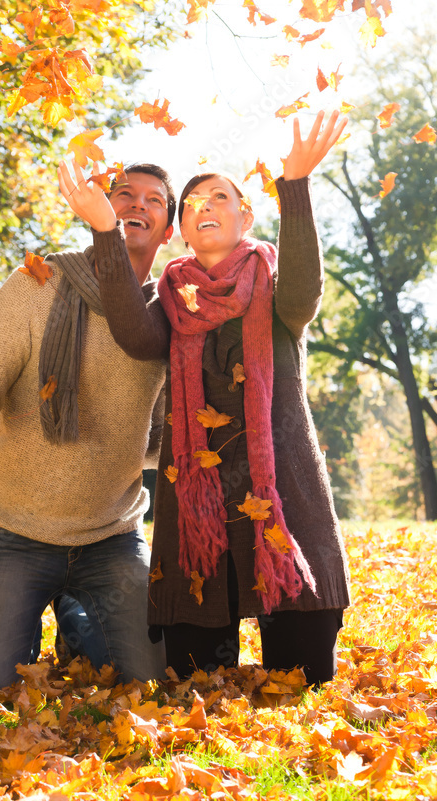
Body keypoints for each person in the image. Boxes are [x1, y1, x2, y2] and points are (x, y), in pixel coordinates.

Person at [0, 163, 175, 689]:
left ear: (169, 229)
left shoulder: (167, 318)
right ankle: (66, 608)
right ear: (101, 210)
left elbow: (159, 441)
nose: (136, 204)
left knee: (149, 684)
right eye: (124, 194)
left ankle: (77, 616)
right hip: (16, 533)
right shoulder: (35, 284)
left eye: (154, 200)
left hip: (113, 535)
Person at [146, 111, 352, 685]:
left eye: (219, 197)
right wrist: (104, 233)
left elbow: (306, 291)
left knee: (302, 683)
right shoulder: (165, 302)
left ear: (246, 216)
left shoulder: (275, 288)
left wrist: (297, 187)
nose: (204, 206)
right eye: (191, 203)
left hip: (282, 495)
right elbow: (128, 333)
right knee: (193, 686)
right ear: (181, 228)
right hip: (198, 515)